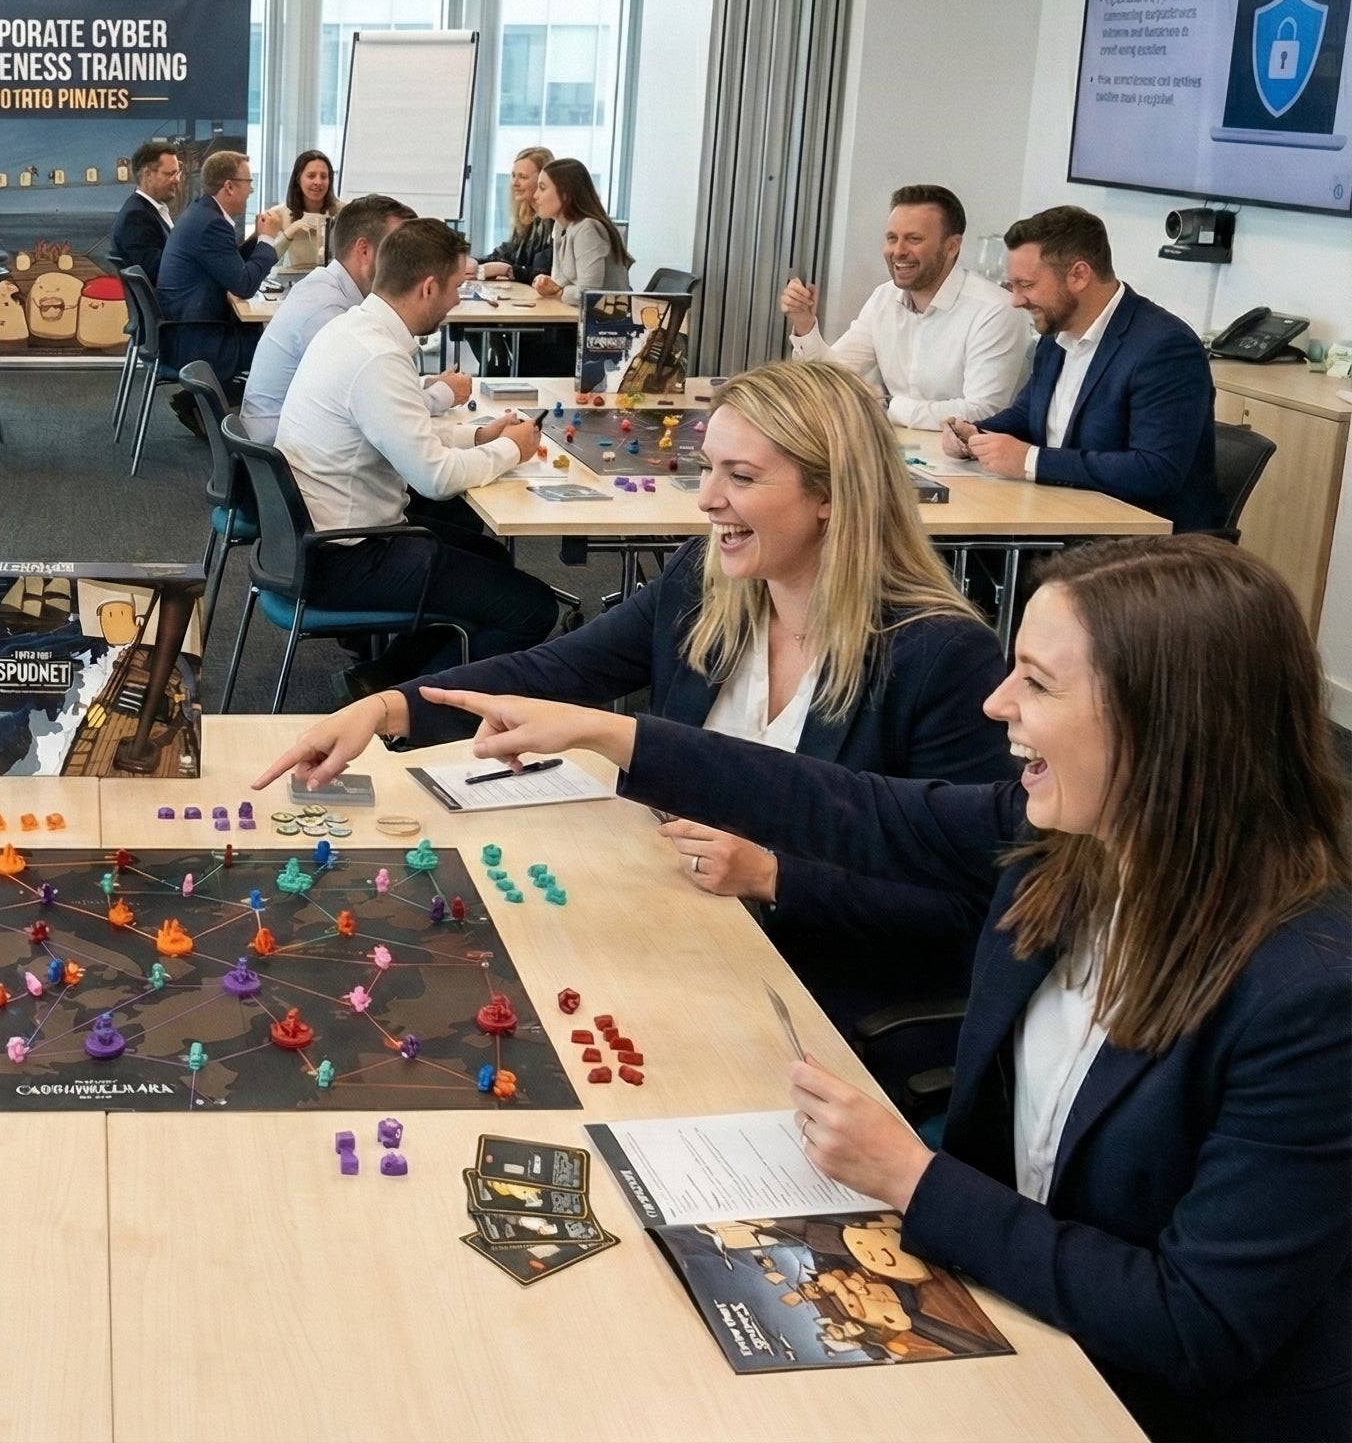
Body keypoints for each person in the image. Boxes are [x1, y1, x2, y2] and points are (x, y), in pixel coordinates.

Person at [430, 534, 1351, 1441]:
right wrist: (608, 729)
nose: (997, 703)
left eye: (1037, 683)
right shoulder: (1065, 840)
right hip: (1013, 1295)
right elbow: (847, 807)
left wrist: (912, 1176)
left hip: (1147, 1398)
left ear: (1164, 724)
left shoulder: (1309, 998)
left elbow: (1197, 1326)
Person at [260, 360, 1014, 1072]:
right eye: (707, 468)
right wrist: (387, 706)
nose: (707, 499)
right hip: (683, 926)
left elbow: (972, 903)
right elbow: (559, 670)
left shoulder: (942, 657)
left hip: (815, 988)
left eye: (741, 477)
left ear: (832, 496)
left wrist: (776, 875)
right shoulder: (706, 581)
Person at [270, 217, 555, 682]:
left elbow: (400, 432)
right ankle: (415, 708)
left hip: (316, 541)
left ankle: (382, 679)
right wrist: (510, 449)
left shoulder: (353, 329)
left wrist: (480, 438)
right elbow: (435, 479)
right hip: (343, 557)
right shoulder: (379, 357)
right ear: (428, 288)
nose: (458, 299)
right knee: (532, 609)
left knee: (490, 558)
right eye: (456, 287)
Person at [946, 205, 1220, 533]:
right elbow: (1027, 415)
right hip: (1062, 518)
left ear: (1079, 275)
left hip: (1142, 542)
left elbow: (1155, 470)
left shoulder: (1165, 348)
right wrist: (974, 435)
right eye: (1012, 286)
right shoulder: (1056, 333)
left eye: (1026, 285)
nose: (1016, 300)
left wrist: (1031, 460)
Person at [781, 184, 1026, 429]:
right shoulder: (884, 297)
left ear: (951, 246)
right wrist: (805, 324)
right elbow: (833, 378)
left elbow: (983, 411)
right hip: (899, 445)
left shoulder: (995, 310)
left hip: (965, 453)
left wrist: (890, 405)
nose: (898, 251)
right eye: (892, 238)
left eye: (913, 239)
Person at [241, 194, 467, 443]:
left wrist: (421, 386)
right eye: (396, 248)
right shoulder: (327, 308)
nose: (408, 262)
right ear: (364, 250)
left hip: (289, 441)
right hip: (279, 450)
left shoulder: (330, 287)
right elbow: (375, 409)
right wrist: (442, 393)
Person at [157, 150, 282, 410]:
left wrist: (256, 238)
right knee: (279, 348)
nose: (251, 190)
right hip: (197, 339)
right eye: (249, 183)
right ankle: (216, 408)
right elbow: (244, 286)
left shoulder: (203, 212)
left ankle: (205, 405)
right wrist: (268, 240)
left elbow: (230, 267)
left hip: (183, 330)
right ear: (229, 186)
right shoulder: (212, 225)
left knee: (264, 336)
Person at [529, 157, 631, 302]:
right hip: (578, 313)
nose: (535, 196)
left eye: (542, 188)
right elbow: (559, 281)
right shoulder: (560, 227)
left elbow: (589, 293)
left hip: (602, 315)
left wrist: (558, 293)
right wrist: (547, 284)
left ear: (565, 194)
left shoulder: (587, 229)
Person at [476, 145, 555, 283]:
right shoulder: (527, 218)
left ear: (543, 181)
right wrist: (471, 263)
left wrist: (508, 271)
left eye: (523, 177)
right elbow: (504, 255)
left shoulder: (556, 223)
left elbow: (548, 275)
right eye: (513, 176)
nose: (515, 183)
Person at [107, 139, 180, 289]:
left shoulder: (146, 210)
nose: (177, 180)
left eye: (177, 173)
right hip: (171, 301)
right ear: (148, 174)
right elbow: (159, 273)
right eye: (170, 174)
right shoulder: (136, 217)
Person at [258, 149, 341, 278]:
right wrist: (292, 230)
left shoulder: (344, 211)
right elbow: (265, 261)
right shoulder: (277, 215)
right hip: (292, 283)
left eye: (324, 176)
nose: (318, 182)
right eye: (311, 176)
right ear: (298, 179)